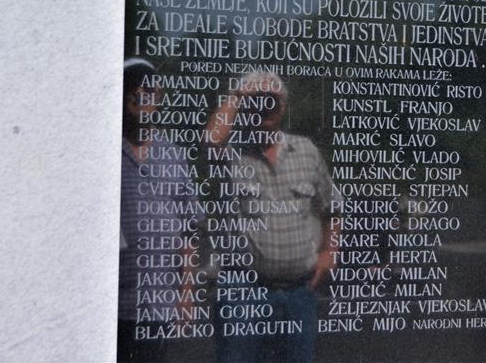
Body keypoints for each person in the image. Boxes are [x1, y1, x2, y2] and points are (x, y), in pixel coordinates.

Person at [205, 73, 339, 363]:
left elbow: (333, 206)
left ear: (283, 107)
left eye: (272, 101)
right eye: (257, 101)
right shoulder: (231, 154)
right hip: (243, 291)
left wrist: (330, 251)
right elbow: (211, 139)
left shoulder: (305, 151)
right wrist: (239, 94)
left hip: (298, 293)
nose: (264, 107)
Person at [117, 59, 202, 363]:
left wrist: (186, 291)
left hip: (159, 304)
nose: (142, 93)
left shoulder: (174, 155)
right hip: (114, 305)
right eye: (134, 86)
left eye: (149, 87)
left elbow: (189, 229)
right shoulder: (104, 151)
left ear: (160, 96)